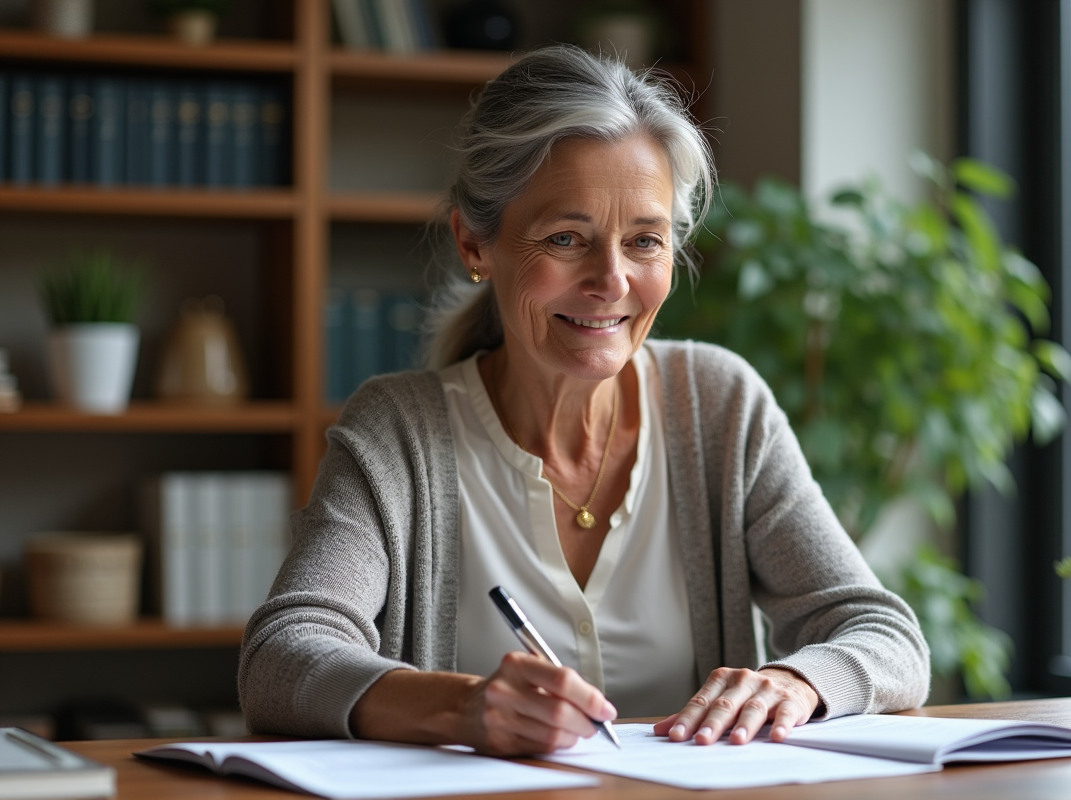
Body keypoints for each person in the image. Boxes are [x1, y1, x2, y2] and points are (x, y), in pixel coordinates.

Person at [238, 44, 930, 757]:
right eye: (567, 239)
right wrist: (464, 708)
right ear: (475, 244)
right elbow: (282, 657)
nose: (612, 281)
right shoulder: (397, 432)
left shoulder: (721, 405)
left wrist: (795, 682)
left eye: (644, 241)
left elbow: (885, 636)